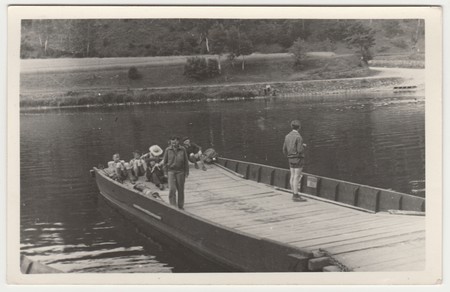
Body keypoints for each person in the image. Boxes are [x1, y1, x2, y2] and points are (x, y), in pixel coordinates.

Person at [282, 120, 307, 202]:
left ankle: (294, 193)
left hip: (290, 158)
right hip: (298, 159)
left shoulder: (287, 136)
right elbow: (300, 150)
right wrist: (304, 146)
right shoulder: (298, 137)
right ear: (299, 127)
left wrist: (289, 155)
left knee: (292, 176)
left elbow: (284, 149)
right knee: (297, 177)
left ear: (291, 127)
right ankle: (296, 196)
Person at [163, 136, 190, 209]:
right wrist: (165, 172)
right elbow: (164, 162)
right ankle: (173, 206)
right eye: (172, 141)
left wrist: (187, 171)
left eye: (175, 141)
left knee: (180, 189)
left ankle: (180, 205)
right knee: (172, 189)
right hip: (171, 171)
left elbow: (186, 161)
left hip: (180, 171)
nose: (173, 143)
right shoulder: (167, 150)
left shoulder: (183, 149)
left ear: (178, 141)